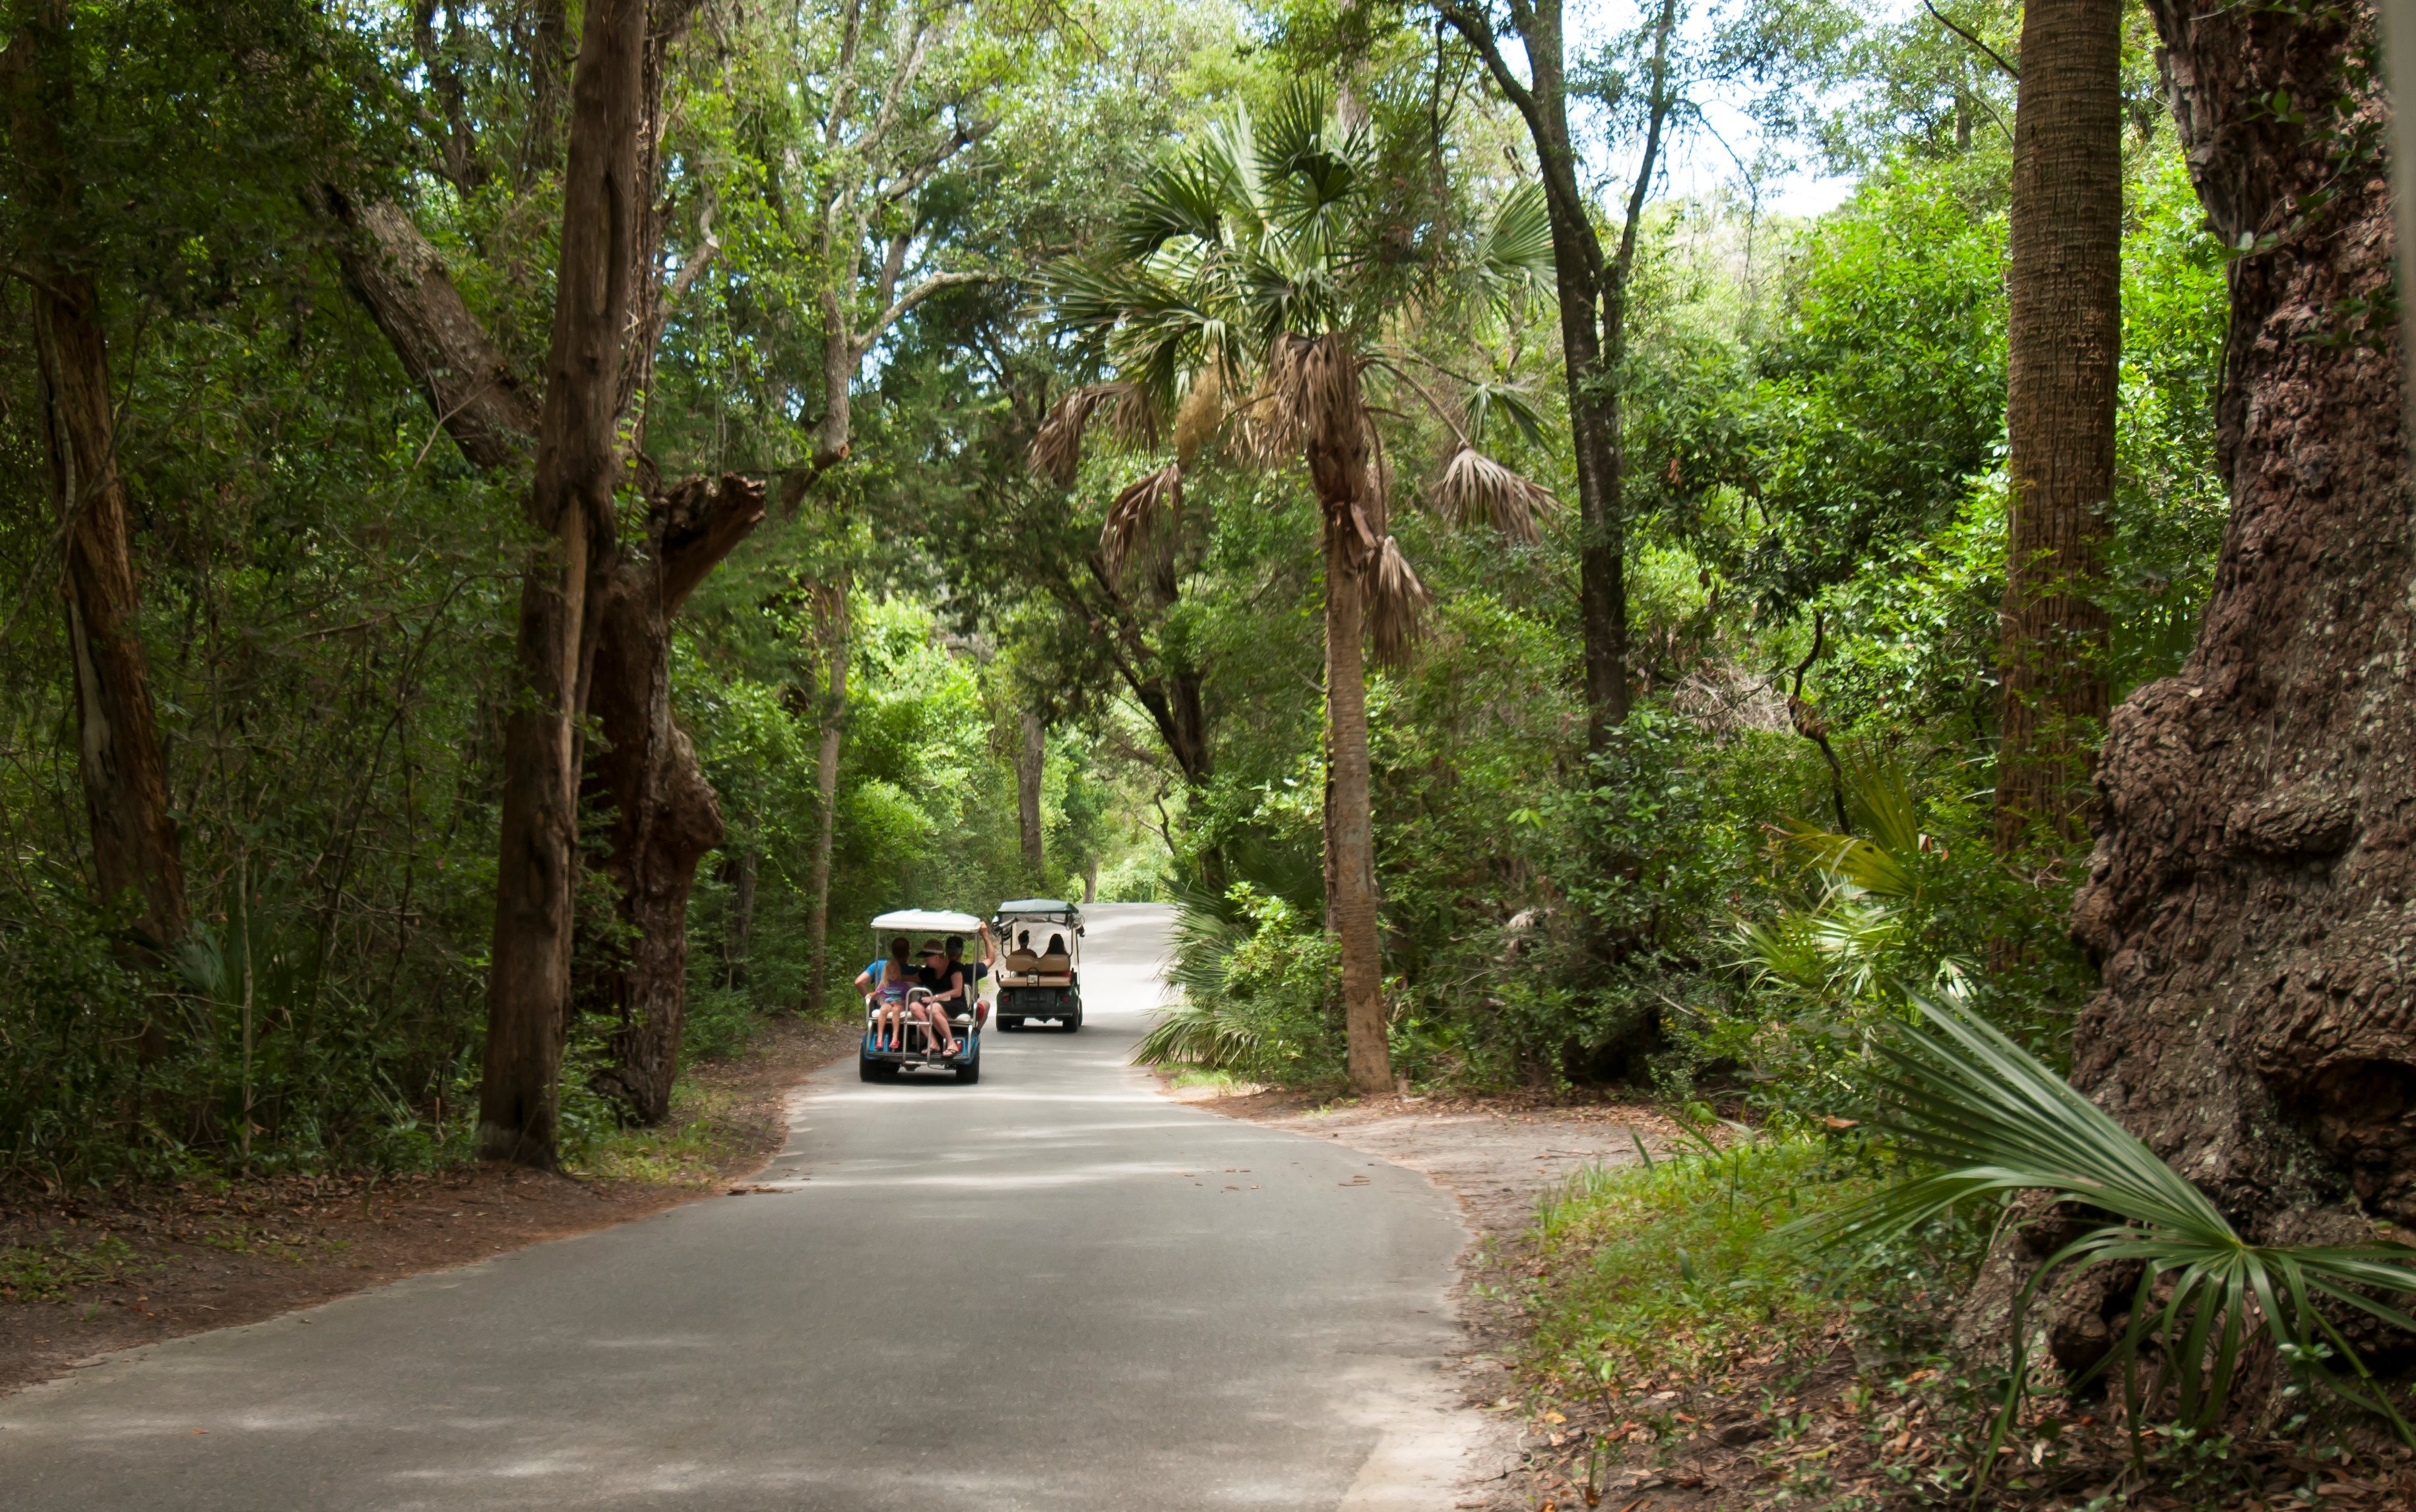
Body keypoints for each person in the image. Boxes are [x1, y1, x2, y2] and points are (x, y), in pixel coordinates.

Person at [855, 936, 915, 1052]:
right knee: (884, 1009)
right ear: (909, 953)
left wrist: (871, 1001)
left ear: (892, 951)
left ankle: (892, 1038)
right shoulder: (913, 971)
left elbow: (859, 982)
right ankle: (881, 1038)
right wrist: (872, 997)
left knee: (895, 1009)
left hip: (899, 1005)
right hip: (887, 1005)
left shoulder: (879, 965)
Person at [916, 941, 967, 1053]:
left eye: (927, 957)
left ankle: (951, 1043)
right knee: (914, 1006)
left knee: (932, 1009)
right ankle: (933, 1042)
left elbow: (958, 991)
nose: (925, 960)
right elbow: (910, 978)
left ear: (937, 957)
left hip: (954, 1003)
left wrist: (935, 997)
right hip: (934, 1002)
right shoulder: (929, 971)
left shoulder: (955, 968)